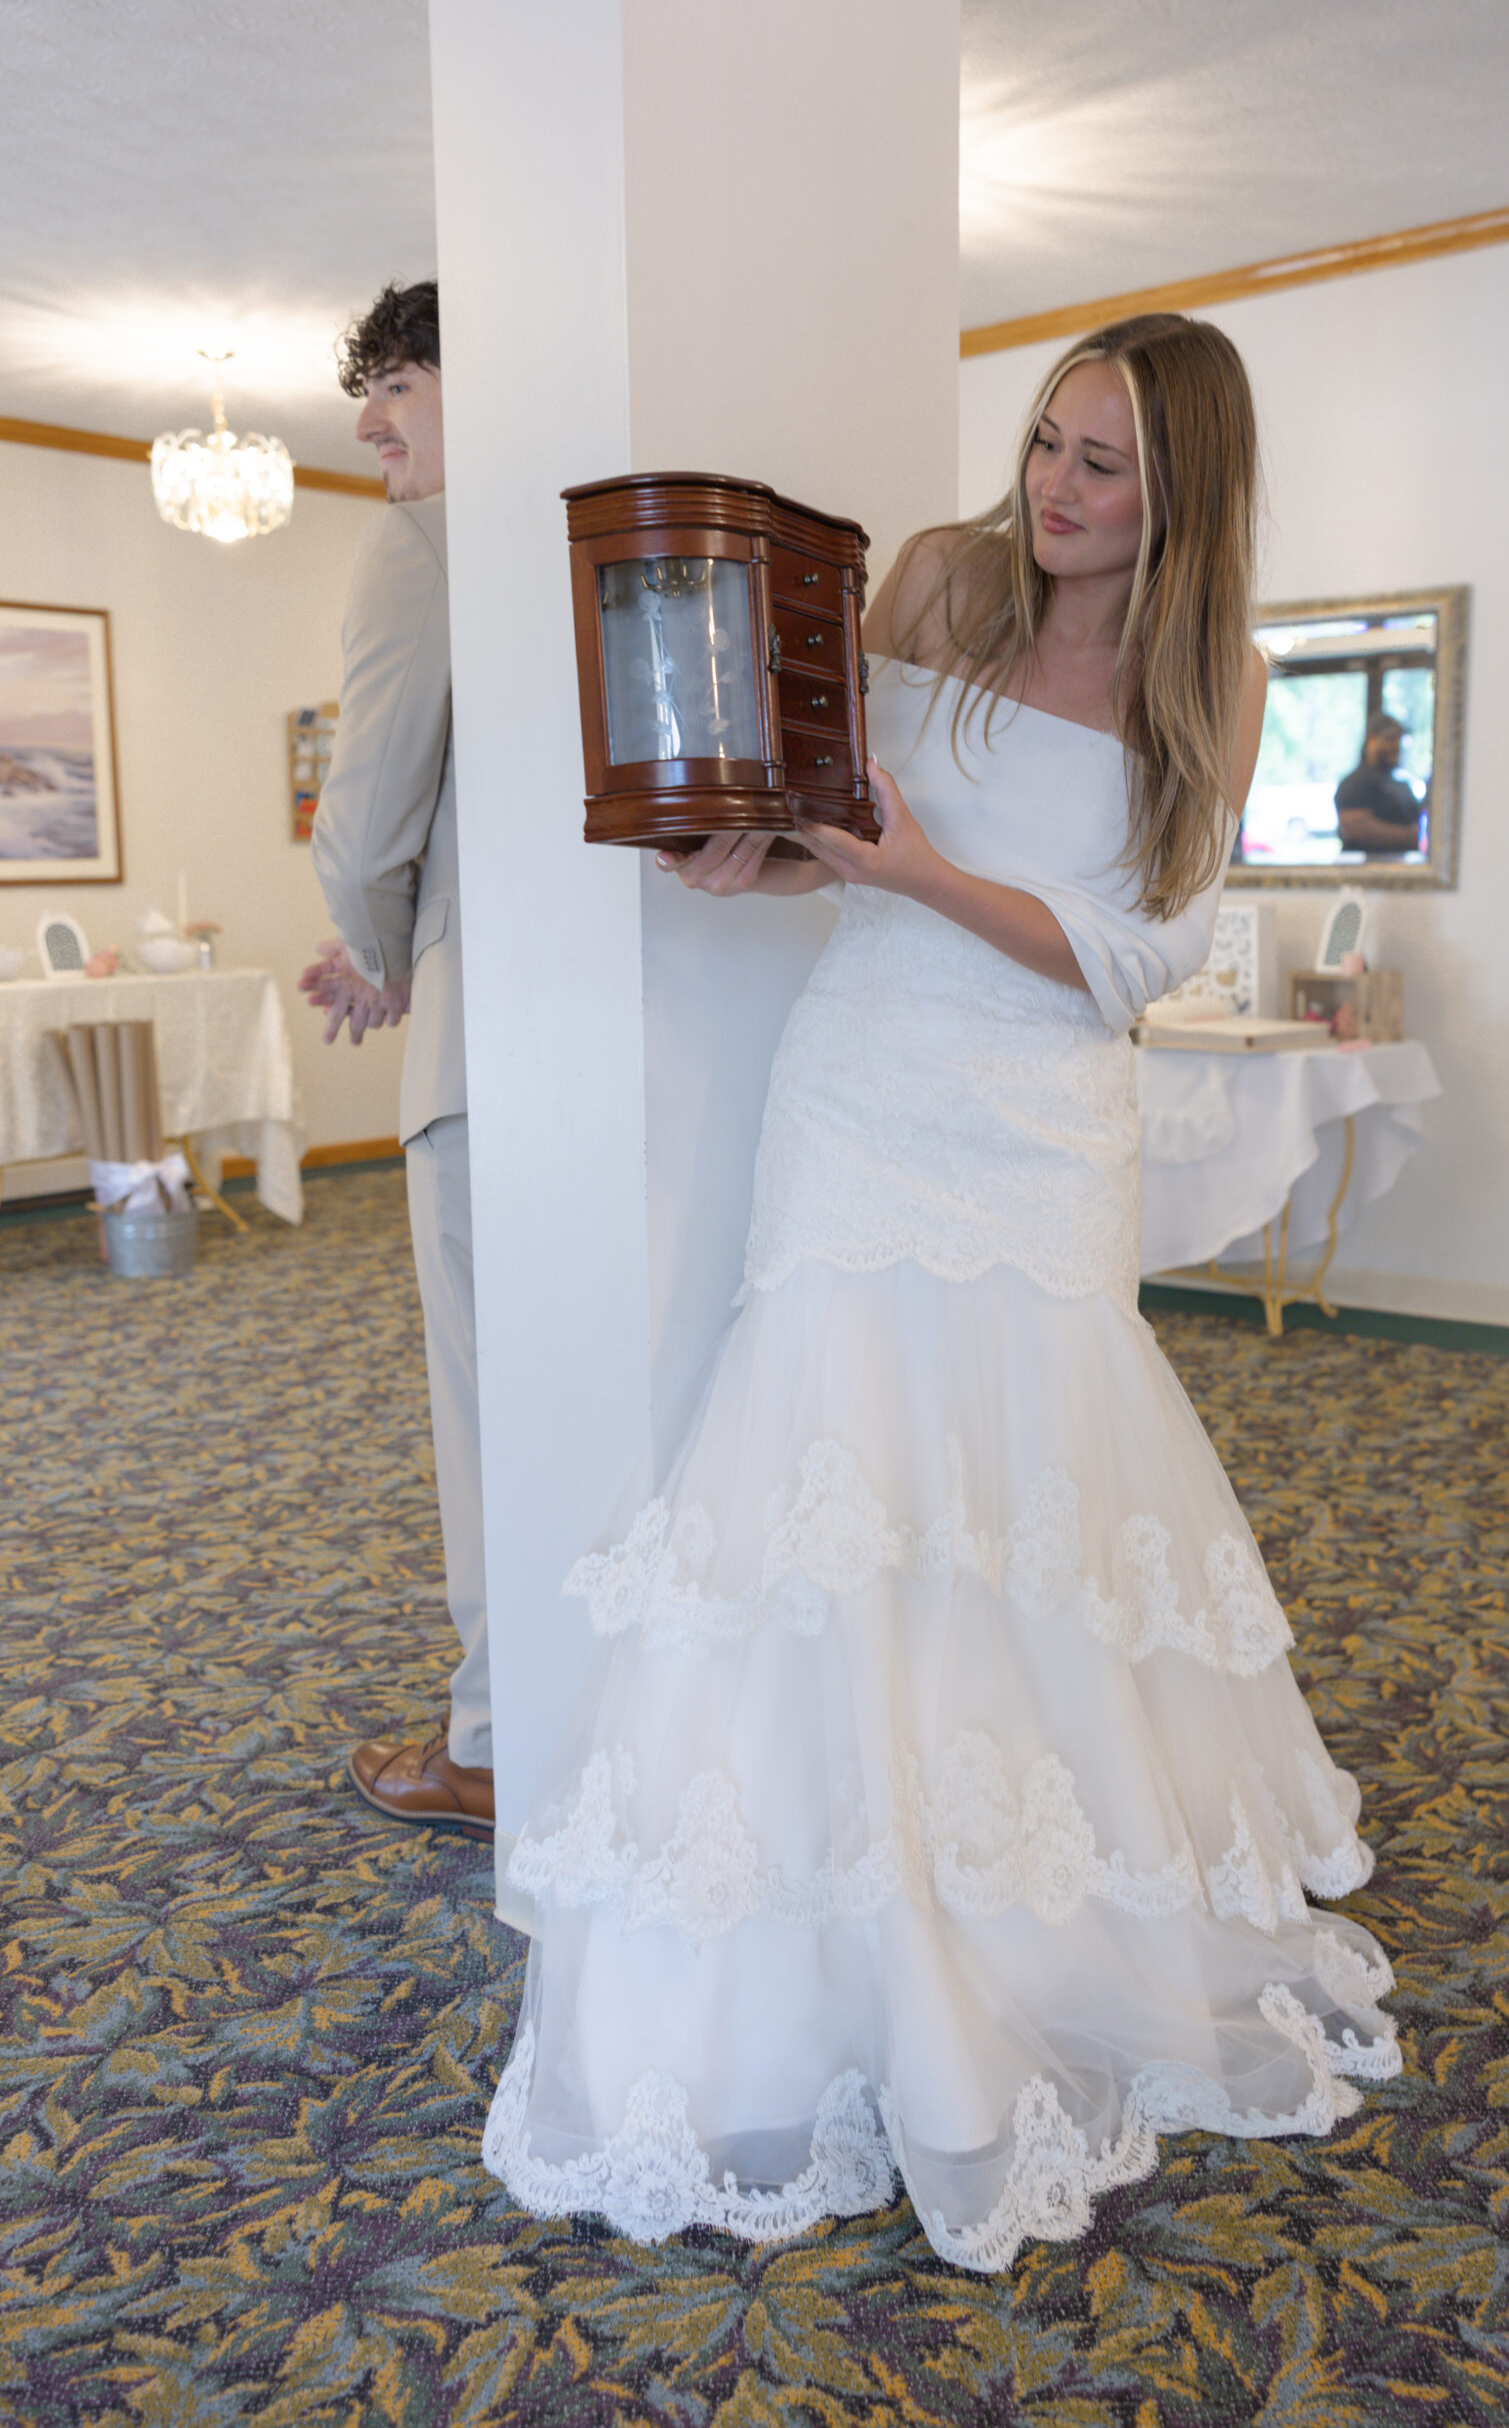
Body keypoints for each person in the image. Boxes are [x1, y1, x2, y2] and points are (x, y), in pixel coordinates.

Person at [481, 315, 1400, 2269]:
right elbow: (838, 817)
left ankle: (1040, 1923)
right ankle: (830, 1945)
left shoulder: (1214, 677)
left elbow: (1139, 955)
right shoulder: (933, 579)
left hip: (1045, 1128)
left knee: (1027, 1521)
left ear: (1186, 498)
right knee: (835, 1494)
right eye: (1049, 443)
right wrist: (764, 855)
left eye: (1104, 470)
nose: (1054, 494)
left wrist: (895, 872)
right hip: (866, 1097)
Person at [301, 280, 494, 1839]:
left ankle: (492, 1739)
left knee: (490, 1411)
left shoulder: (420, 543)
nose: (370, 423)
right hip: (618, 1043)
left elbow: (363, 819)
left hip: (480, 1060)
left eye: (396, 385)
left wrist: (378, 948)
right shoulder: (577, 541)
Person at [1335, 717, 1422, 853]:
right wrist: (1411, 834)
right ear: (1371, 740)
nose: (1396, 746)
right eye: (1390, 739)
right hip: (1368, 870)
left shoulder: (1400, 783)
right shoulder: (1354, 784)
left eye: (1399, 740)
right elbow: (1359, 828)